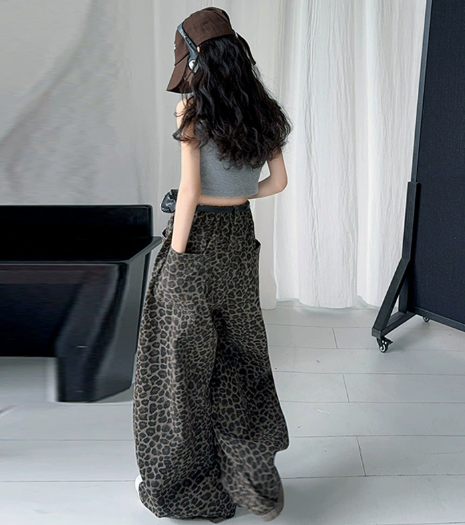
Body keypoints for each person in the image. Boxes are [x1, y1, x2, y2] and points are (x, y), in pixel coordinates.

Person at [132, 6, 292, 523]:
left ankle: (184, 486)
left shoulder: (192, 110)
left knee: (178, 364)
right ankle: (249, 480)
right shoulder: (264, 109)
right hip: (240, 239)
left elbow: (190, 192)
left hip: (196, 239)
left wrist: (176, 257)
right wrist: (239, 194)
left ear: (196, 58)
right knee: (239, 357)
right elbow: (278, 183)